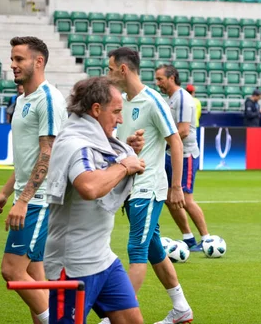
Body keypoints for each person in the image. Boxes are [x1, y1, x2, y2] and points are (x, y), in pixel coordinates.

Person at [44, 77, 146, 324]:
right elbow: (89, 186)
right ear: (96, 110)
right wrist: (124, 164)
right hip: (73, 266)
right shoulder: (76, 143)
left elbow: (100, 162)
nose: (120, 119)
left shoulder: (90, 139)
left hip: (103, 259)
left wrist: (125, 150)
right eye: (117, 111)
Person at [107, 48, 193, 324]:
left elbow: (176, 141)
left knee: (137, 251)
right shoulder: (120, 101)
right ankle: (181, 309)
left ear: (123, 69)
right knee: (154, 247)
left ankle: (117, 316)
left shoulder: (153, 100)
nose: (108, 73)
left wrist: (176, 187)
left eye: (110, 68)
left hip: (148, 188)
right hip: (128, 190)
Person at [0, 37, 67, 324]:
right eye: (12, 58)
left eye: (19, 59)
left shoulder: (48, 98)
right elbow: (27, 158)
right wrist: (6, 193)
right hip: (29, 198)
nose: (13, 65)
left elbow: (48, 154)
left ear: (38, 61)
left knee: (11, 269)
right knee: (34, 275)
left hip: (40, 202)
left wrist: (22, 201)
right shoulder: (22, 100)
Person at [156, 65, 211, 253]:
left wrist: (161, 144)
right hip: (172, 153)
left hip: (185, 154)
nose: (157, 83)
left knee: (185, 199)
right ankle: (188, 237)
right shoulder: (171, 99)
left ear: (171, 78)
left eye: (160, 79)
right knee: (169, 198)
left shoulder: (182, 98)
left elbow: (184, 131)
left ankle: (207, 239)